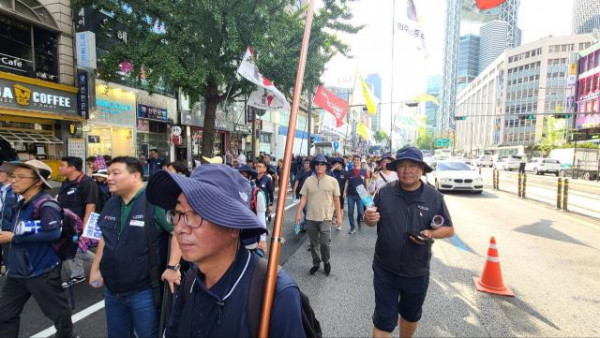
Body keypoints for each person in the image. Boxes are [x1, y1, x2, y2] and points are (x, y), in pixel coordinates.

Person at [145, 164, 305, 337]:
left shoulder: (274, 293)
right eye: (177, 213)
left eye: (196, 214)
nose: (180, 228)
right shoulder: (191, 280)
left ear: (234, 227)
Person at [364, 147, 454, 338]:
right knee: (383, 320)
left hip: (417, 271)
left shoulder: (434, 197)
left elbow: (449, 229)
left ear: (421, 169)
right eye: (402, 165)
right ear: (396, 169)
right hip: (385, 269)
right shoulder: (384, 192)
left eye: (412, 166)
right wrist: (369, 218)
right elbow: (371, 220)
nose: (407, 170)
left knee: (410, 316)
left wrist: (430, 233)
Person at [89, 157, 182, 338]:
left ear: (135, 176)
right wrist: (95, 269)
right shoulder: (111, 203)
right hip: (112, 290)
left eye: (116, 173)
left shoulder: (154, 202)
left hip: (144, 291)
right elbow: (104, 238)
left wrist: (173, 266)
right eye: (108, 173)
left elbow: (178, 231)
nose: (109, 178)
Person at [0, 160, 73, 338]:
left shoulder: (46, 204)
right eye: (13, 176)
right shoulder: (21, 202)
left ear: (38, 181)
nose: (14, 181)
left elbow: (54, 233)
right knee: (5, 315)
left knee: (59, 314)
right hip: (17, 272)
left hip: (41, 271)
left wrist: (14, 237)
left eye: (20, 177)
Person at [295, 155, 342, 276]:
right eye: (316, 164)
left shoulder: (333, 181)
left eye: (322, 164)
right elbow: (303, 198)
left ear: (326, 166)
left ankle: (326, 261)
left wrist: (339, 216)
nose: (319, 166)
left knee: (325, 243)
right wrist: (298, 212)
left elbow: (337, 200)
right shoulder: (308, 180)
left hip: (326, 218)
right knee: (313, 243)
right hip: (310, 218)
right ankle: (316, 263)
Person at [57, 156, 99, 288]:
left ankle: (102, 263)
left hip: (80, 223)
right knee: (70, 247)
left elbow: (91, 205)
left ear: (72, 168)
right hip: (66, 222)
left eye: (62, 165)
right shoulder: (66, 182)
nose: (59, 168)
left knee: (77, 249)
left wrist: (85, 227)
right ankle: (78, 273)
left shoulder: (87, 182)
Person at [236, 164, 268, 256]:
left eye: (244, 175)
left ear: (250, 177)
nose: (240, 178)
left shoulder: (257, 193)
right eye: (237, 175)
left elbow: (261, 216)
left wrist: (262, 240)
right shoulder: (230, 191)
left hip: (250, 240)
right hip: (231, 240)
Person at [344, 155, 370, 234]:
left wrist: (367, 191)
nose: (356, 161)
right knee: (350, 212)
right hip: (351, 194)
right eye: (354, 160)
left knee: (361, 212)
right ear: (353, 161)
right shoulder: (349, 171)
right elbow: (347, 182)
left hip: (361, 193)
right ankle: (352, 227)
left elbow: (367, 181)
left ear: (360, 161)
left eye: (358, 160)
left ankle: (359, 220)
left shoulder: (364, 171)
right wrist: (344, 192)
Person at [0, 163, 18, 275]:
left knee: (9, 255)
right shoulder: (2, 189)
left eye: (1, 172)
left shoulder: (15, 191)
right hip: (2, 227)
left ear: (9, 175)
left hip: (9, 230)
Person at [293, 158, 313, 229]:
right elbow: (297, 180)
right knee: (304, 208)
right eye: (305, 163)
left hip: (309, 192)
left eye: (307, 163)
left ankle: (306, 222)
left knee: (306, 207)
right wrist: (294, 190)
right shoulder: (301, 171)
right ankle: (307, 220)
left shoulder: (312, 172)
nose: (305, 164)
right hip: (301, 191)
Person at [329, 157, 346, 230]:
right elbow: (326, 175)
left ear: (341, 164)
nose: (337, 165)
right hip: (331, 193)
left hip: (341, 193)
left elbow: (347, 183)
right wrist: (332, 169)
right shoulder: (331, 172)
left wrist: (345, 192)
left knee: (340, 208)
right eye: (335, 163)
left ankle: (339, 224)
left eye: (338, 163)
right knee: (332, 207)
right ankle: (332, 218)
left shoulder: (344, 172)